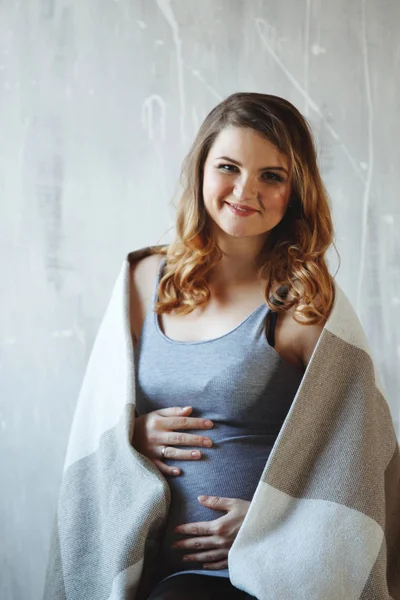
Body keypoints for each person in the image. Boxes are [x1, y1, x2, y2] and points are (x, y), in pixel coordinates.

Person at [128, 92, 335, 600]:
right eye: (228, 167)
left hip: (251, 576)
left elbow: (353, 451)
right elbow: (97, 419)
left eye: (272, 176)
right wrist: (129, 435)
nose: (246, 190)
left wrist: (275, 524)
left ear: (296, 189)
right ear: (201, 170)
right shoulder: (142, 279)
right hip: (142, 563)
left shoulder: (302, 305)